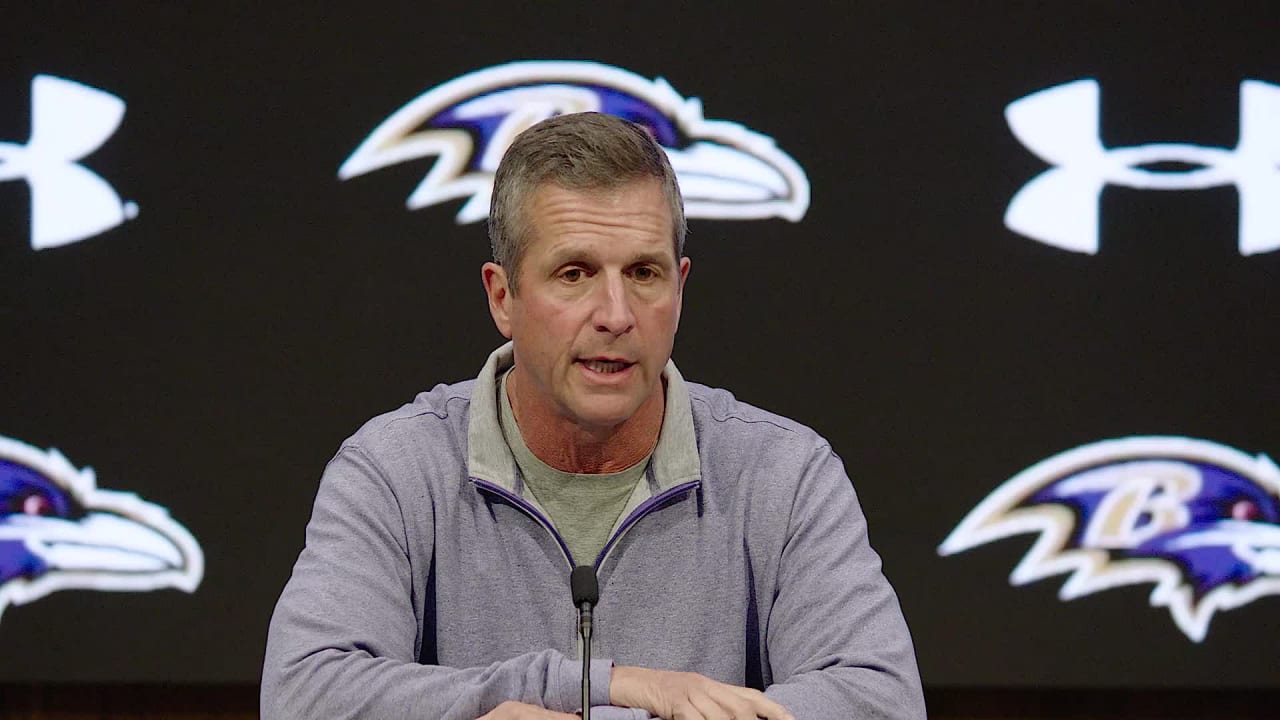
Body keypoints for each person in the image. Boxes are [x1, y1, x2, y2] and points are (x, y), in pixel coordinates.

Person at [262, 112, 925, 720]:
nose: (615, 313)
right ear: (503, 296)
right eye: (575, 273)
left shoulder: (784, 473)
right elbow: (306, 693)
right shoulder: (396, 469)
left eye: (643, 272)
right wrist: (604, 684)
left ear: (680, 288)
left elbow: (880, 700)